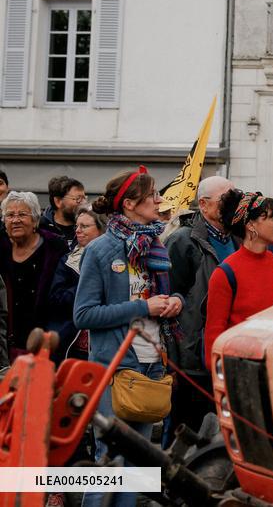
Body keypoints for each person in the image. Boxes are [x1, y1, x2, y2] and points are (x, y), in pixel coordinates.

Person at [74, 167, 183, 507]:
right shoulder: (101, 250)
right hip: (115, 370)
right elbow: (84, 315)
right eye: (153, 195)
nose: (160, 200)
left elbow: (163, 297)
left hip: (152, 366)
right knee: (111, 462)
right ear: (132, 203)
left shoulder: (155, 245)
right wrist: (142, 307)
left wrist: (176, 302)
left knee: (139, 466)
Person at [164, 175, 237, 439]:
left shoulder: (238, 238)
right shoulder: (183, 241)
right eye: (225, 200)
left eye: (234, 197)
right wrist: (175, 362)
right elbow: (169, 299)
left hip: (227, 354)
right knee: (185, 435)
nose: (232, 205)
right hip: (193, 359)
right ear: (204, 205)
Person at [204, 191, 273, 368]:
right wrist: (218, 377)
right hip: (241, 372)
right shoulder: (225, 272)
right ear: (251, 224)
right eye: (272, 218)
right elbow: (214, 334)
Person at [0, 191, 69, 359]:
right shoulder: (1, 248)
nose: (15, 220)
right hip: (7, 342)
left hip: (46, 341)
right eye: (10, 215)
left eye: (22, 214)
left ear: (35, 220)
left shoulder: (55, 247)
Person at [46, 207, 106, 363]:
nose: (78, 231)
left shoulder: (116, 260)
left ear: (101, 229)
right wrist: (87, 284)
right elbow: (56, 298)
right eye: (77, 226)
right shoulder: (68, 261)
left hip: (104, 342)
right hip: (72, 342)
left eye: (84, 226)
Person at [41, 176, 87, 248]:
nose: (83, 203)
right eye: (78, 199)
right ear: (58, 201)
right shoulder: (41, 228)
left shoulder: (90, 226)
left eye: (84, 198)